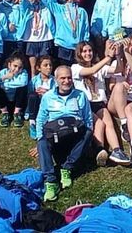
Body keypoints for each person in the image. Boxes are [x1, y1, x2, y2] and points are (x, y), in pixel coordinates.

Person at [36, 65, 94, 202]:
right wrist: (39, 137)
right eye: (62, 78)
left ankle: (67, 168)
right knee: (42, 141)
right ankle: (50, 182)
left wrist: (89, 129)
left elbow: (88, 118)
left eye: (69, 78)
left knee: (88, 132)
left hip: (74, 136)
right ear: (56, 80)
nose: (66, 81)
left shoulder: (80, 95)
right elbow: (40, 119)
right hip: (55, 136)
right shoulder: (48, 97)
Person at [71, 41, 130, 166]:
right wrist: (108, 57)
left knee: (108, 122)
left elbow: (118, 69)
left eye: (90, 50)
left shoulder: (100, 67)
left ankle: (116, 150)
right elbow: (91, 70)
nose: (88, 53)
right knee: (99, 123)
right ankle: (99, 150)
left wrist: (118, 55)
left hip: (99, 103)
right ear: (79, 54)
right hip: (85, 103)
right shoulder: (75, 68)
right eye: (84, 51)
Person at [107, 35, 132, 165]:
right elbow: (111, 86)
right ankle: (124, 124)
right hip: (116, 103)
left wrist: (126, 51)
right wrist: (122, 84)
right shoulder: (115, 63)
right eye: (131, 44)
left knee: (130, 109)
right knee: (118, 86)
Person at [39, 0, 89, 65]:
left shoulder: (82, 11)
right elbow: (46, 0)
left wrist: (85, 44)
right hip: (63, 46)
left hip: (78, 48)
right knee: (63, 71)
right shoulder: (59, 9)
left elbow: (86, 30)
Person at [17, 0, 54, 76]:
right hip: (30, 40)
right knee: (33, 67)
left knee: (45, 67)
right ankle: (32, 88)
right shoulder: (26, 8)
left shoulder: (46, 8)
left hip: (44, 39)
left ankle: (45, 86)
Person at [0, 52, 29, 127]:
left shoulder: (23, 73)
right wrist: (3, 78)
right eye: (15, 66)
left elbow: (23, 83)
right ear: (9, 65)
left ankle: (17, 113)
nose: (17, 69)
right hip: (5, 100)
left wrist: (5, 84)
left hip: (17, 101)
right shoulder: (3, 72)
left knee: (22, 88)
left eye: (20, 67)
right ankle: (5, 113)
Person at [28, 55, 54, 138]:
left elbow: (57, 95)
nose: (49, 67)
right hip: (36, 104)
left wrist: (47, 93)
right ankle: (32, 122)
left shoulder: (54, 80)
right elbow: (28, 94)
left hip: (49, 105)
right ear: (39, 68)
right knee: (32, 95)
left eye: (50, 65)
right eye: (45, 65)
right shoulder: (34, 80)